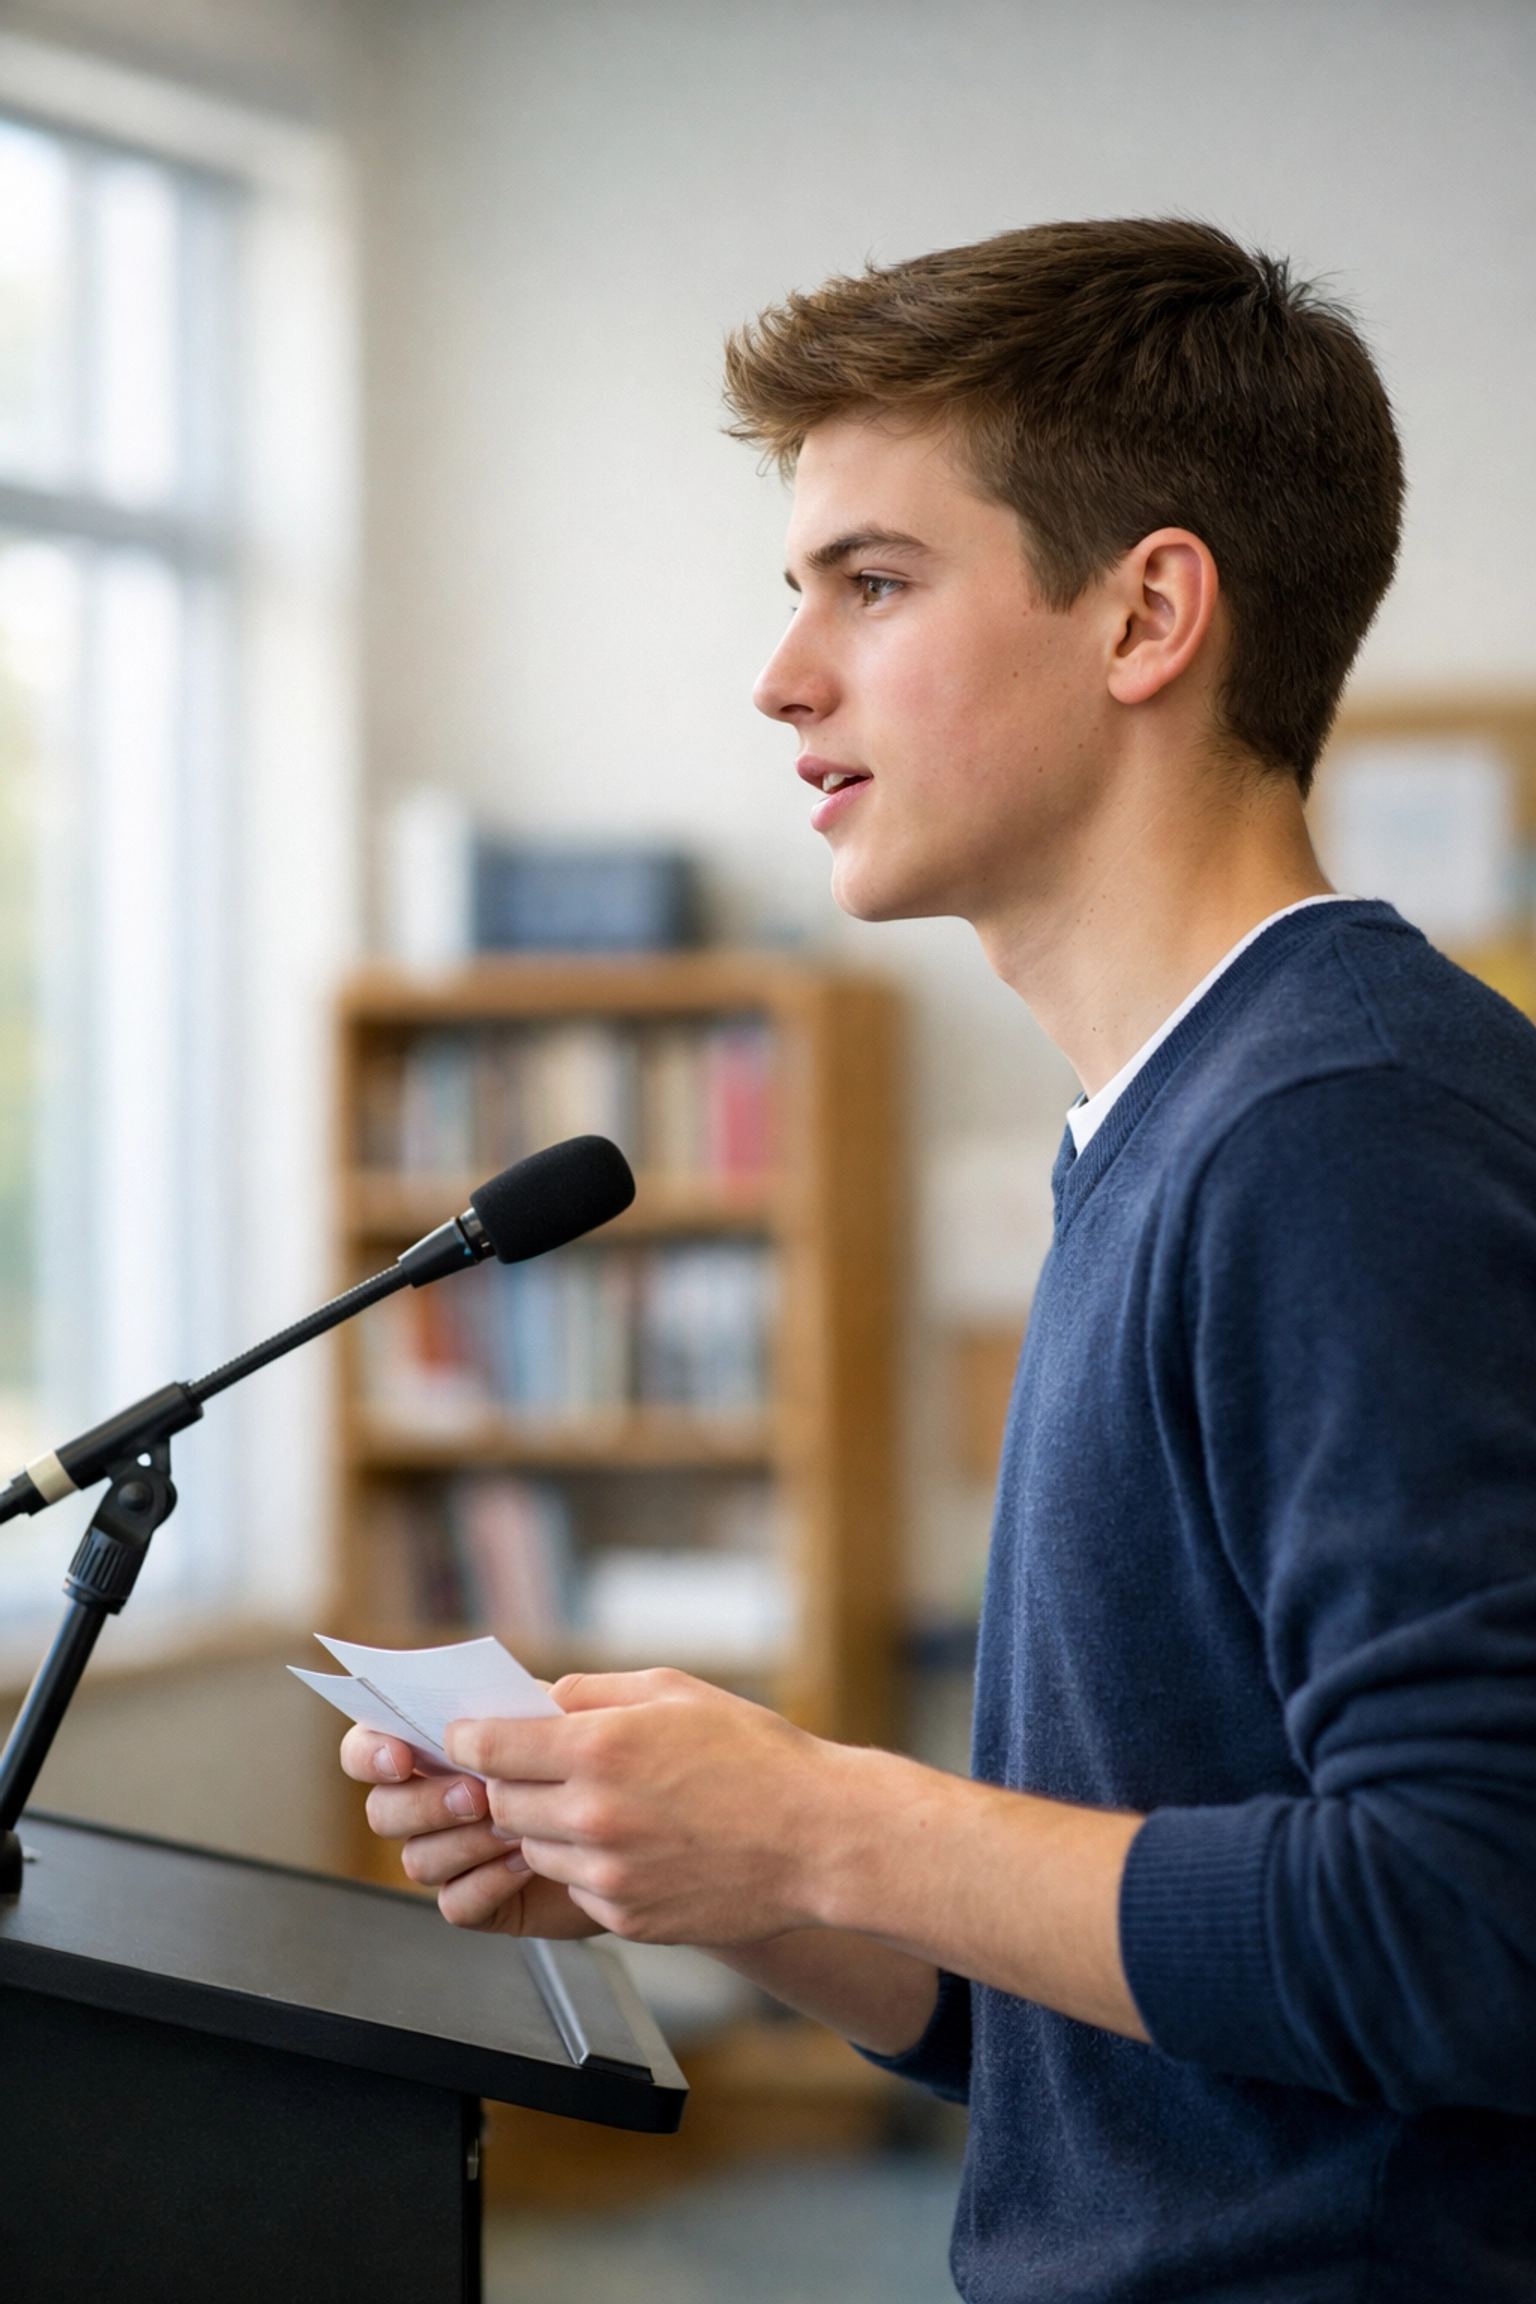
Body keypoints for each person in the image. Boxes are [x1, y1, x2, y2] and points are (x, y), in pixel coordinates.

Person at [342, 221, 1536, 2300]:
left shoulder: (1334, 1135)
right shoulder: (1176, 1126)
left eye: (873, 584)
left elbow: (1474, 1927)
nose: (782, 675)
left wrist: (821, 1819)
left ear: (1148, 613)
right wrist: (707, 1870)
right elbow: (1118, 2026)